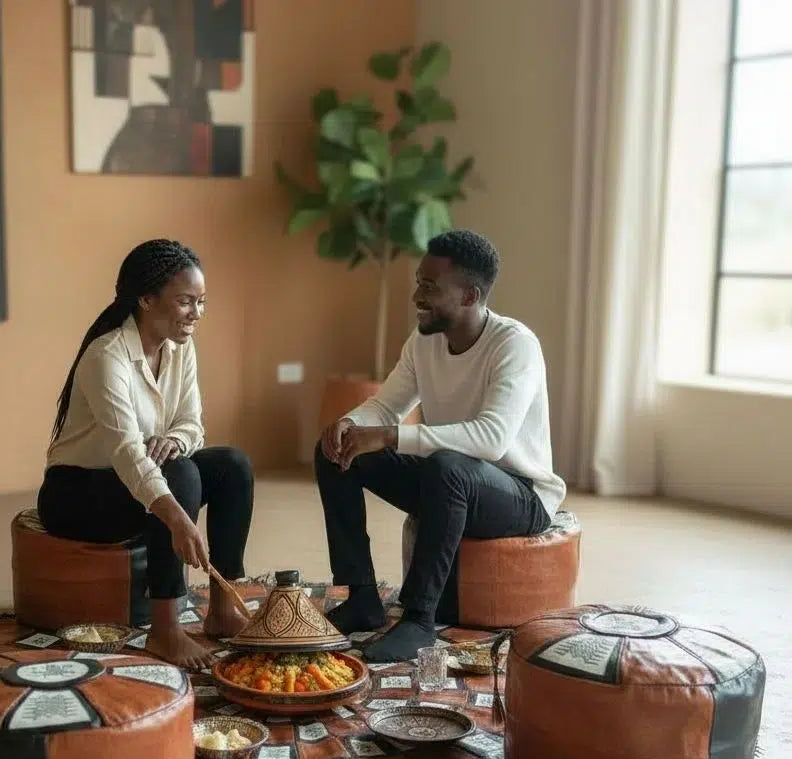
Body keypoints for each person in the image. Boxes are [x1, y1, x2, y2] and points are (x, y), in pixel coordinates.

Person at [315, 229, 566, 663]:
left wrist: (391, 436)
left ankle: (419, 620)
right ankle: (361, 597)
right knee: (337, 452)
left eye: (429, 286)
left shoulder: (515, 345)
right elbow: (386, 406)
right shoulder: (423, 341)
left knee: (448, 466)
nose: (416, 295)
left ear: (470, 295)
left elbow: (491, 438)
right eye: (419, 281)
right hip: (447, 481)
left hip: (519, 495)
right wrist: (350, 423)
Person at [38, 239, 253, 670]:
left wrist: (175, 440)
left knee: (233, 465)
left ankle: (224, 606)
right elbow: (126, 453)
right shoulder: (106, 356)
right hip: (77, 493)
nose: (196, 313)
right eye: (186, 302)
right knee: (183, 478)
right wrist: (177, 518)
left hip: (144, 474)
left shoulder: (180, 346)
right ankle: (165, 629)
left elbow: (192, 422)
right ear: (146, 298)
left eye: (201, 302)